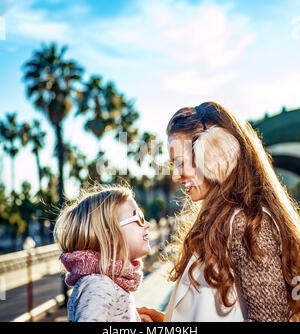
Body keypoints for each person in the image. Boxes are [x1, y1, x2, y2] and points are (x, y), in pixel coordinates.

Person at [138, 101, 300, 322]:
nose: (176, 176)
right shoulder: (225, 222)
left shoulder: (248, 223)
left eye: (179, 162)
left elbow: (270, 318)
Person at [53, 184, 151, 322]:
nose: (147, 224)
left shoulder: (110, 281)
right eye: (138, 218)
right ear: (109, 235)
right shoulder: (99, 285)